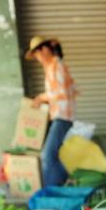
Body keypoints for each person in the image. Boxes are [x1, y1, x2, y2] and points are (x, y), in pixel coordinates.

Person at [25, 36, 77, 187]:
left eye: (38, 54)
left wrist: (42, 97)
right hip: (58, 116)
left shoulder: (57, 66)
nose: (37, 58)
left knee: (47, 156)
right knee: (52, 155)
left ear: (45, 49)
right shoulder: (51, 68)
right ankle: (67, 183)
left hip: (63, 117)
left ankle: (53, 189)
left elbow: (63, 92)